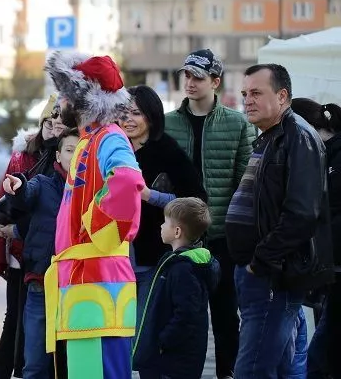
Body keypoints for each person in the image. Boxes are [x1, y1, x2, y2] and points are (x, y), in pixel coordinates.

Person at [43, 52, 144, 379]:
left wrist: (98, 229)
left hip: (96, 285)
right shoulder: (91, 140)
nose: (60, 102)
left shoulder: (108, 137)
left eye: (66, 93)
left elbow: (127, 180)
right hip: (84, 288)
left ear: (86, 97)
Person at [229, 64, 334, 378]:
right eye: (246, 93)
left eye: (257, 93)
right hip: (257, 273)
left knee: (253, 367)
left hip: (271, 274)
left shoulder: (298, 136)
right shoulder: (270, 136)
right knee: (281, 367)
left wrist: (260, 262)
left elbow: (301, 214)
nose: (247, 100)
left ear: (283, 95)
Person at [164, 49, 256, 379]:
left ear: (215, 81)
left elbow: (247, 184)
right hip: (176, 240)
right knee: (181, 317)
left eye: (197, 77)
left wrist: (237, 231)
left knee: (225, 317)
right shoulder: (168, 124)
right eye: (186, 75)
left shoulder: (237, 124)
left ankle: (227, 373)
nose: (189, 82)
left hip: (220, 238)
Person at [122, 85, 206, 323]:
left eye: (136, 113)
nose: (128, 119)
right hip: (114, 259)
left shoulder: (167, 150)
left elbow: (195, 201)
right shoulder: (112, 149)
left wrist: (151, 196)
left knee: (144, 330)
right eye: (123, 113)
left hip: (153, 257)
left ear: (151, 115)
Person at [1, 127, 80, 379]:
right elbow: (26, 191)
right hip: (41, 283)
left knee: (71, 364)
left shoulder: (92, 192)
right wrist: (17, 185)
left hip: (78, 287)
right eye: (69, 150)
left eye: (81, 150)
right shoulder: (43, 184)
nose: (74, 155)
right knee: (34, 363)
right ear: (57, 156)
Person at [0, 93, 59, 379]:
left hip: (45, 255)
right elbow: (0, 209)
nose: (53, 128)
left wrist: (15, 230)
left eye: (59, 123)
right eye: (49, 122)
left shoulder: (65, 159)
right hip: (19, 254)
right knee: (14, 319)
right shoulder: (22, 156)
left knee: (40, 325)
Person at [132, 197, 219, 379]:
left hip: (172, 361)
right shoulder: (177, 263)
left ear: (177, 231)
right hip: (173, 358)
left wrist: (163, 341)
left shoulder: (183, 269)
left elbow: (186, 314)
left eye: (165, 222)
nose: (161, 226)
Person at [290, 98, 341, 379]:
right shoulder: (326, 155)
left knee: (324, 347)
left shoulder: (332, 157)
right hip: (327, 262)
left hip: (333, 261)